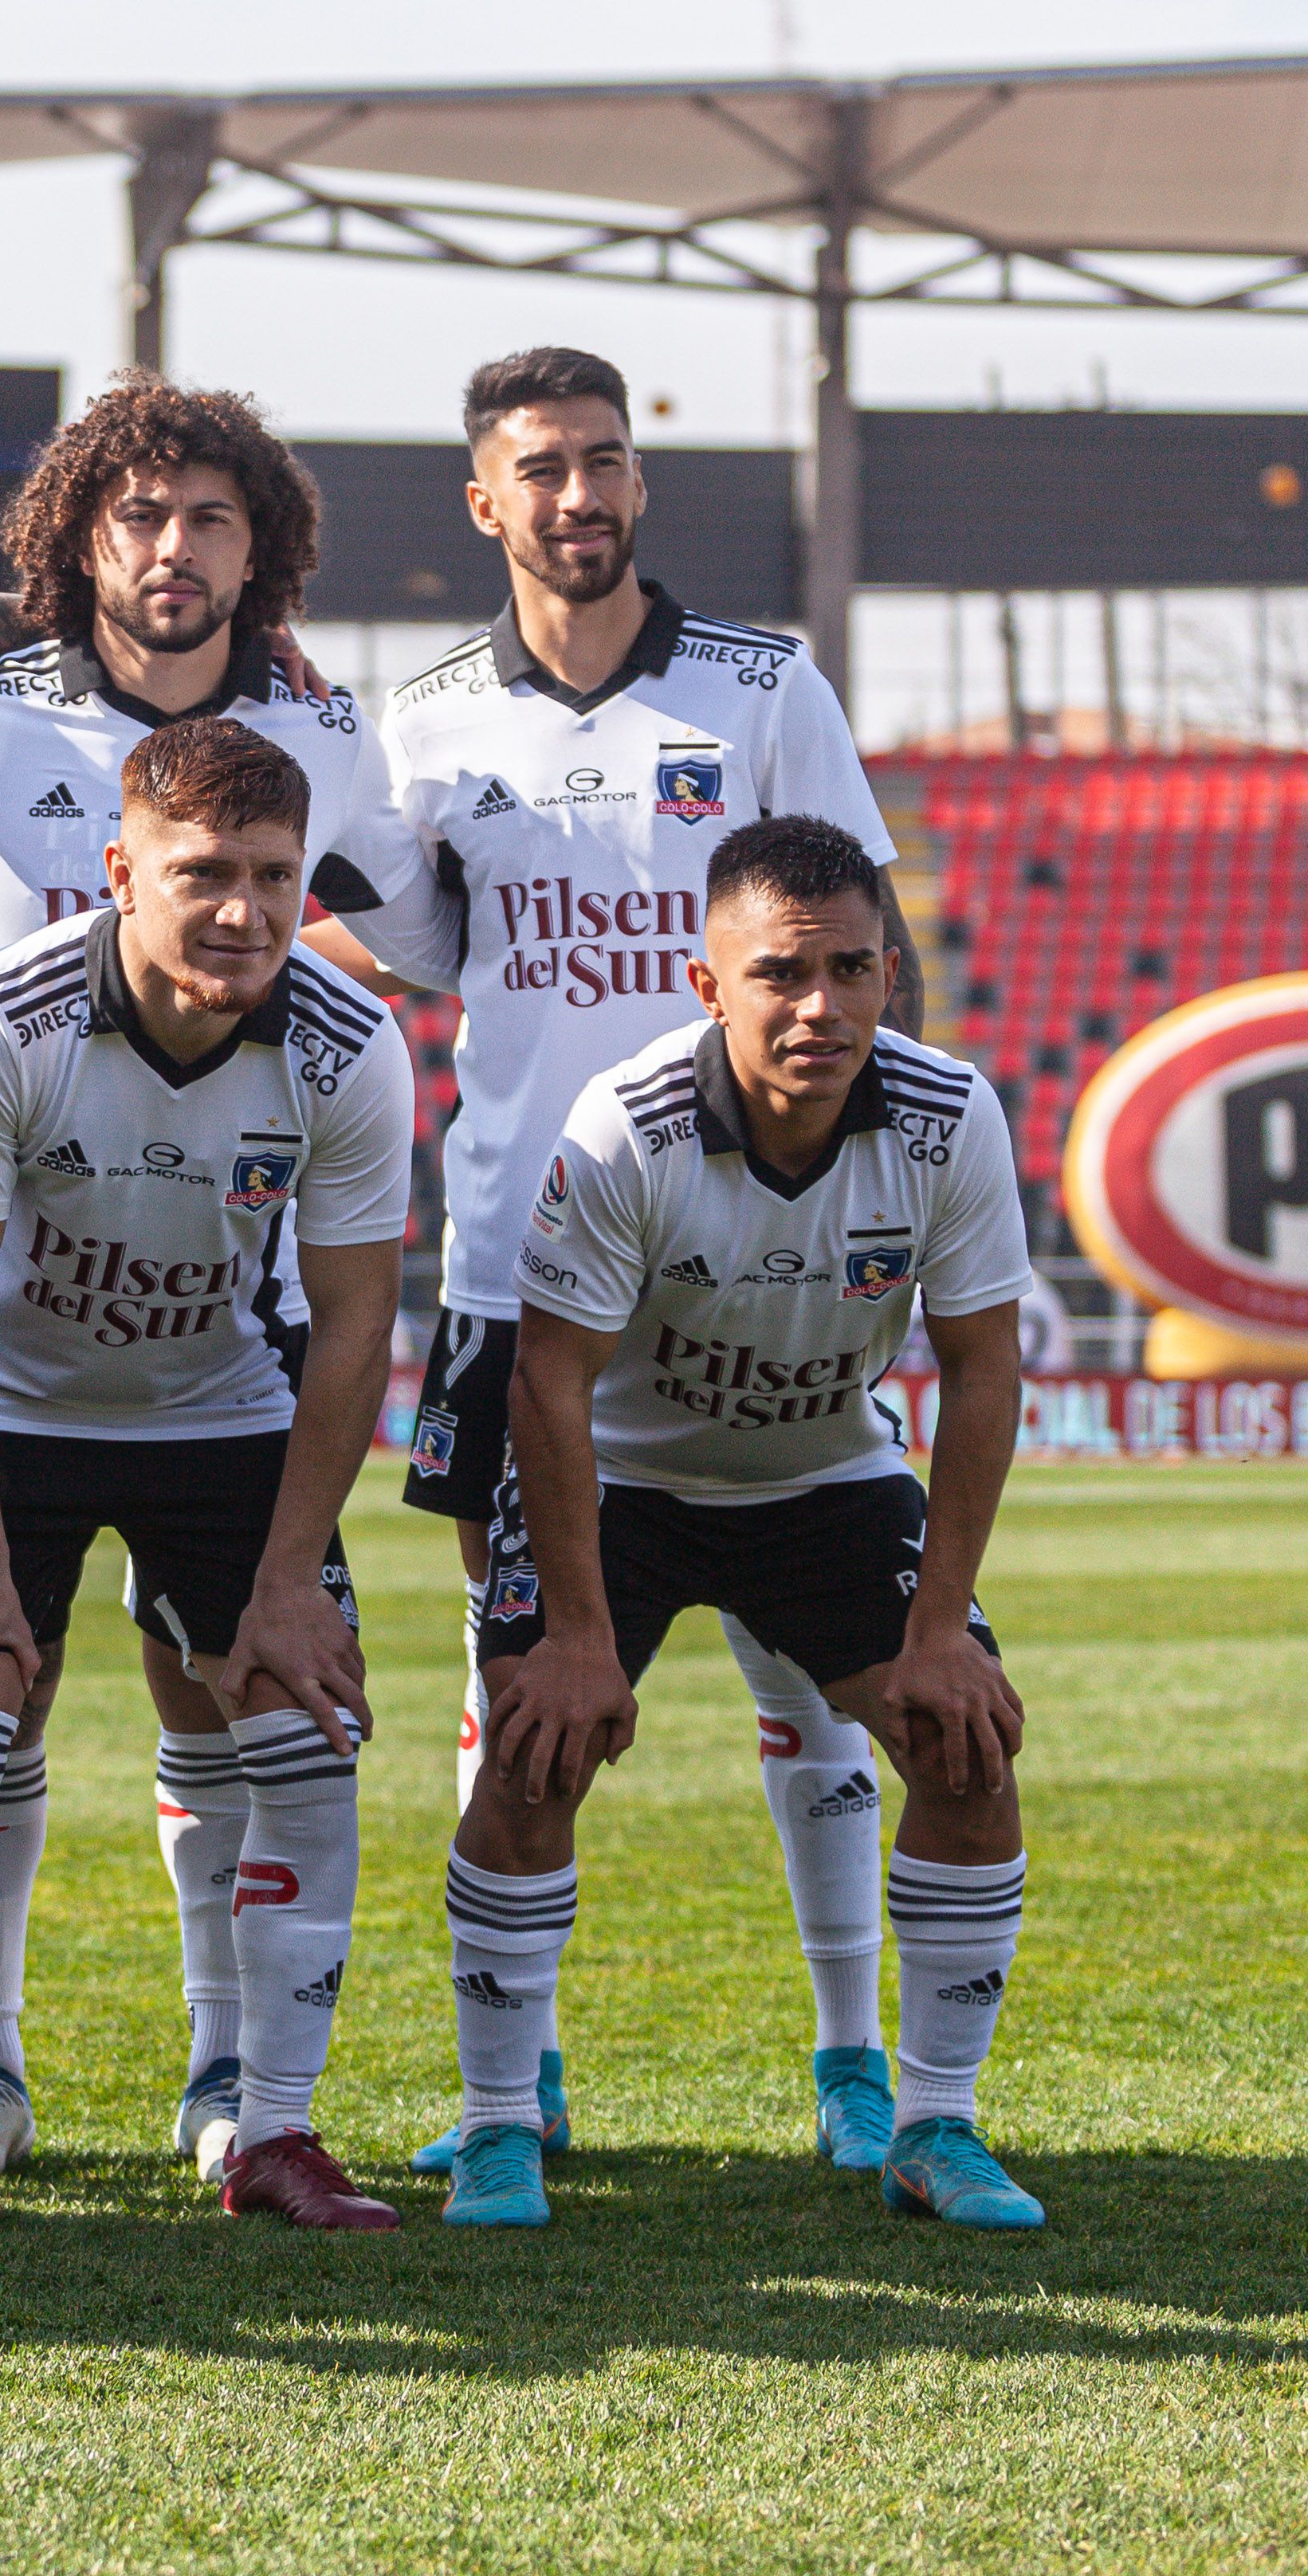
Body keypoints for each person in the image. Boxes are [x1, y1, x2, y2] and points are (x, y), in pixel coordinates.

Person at [0, 370, 418, 2184]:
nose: (169, 547)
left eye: (208, 516)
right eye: (136, 515)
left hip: (214, 1285)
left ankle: (243, 2089)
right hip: (8, 1256)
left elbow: (417, 925)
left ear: (259, 548)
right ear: (77, 538)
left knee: (245, 1699)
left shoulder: (330, 744)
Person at [312, 346, 933, 2180]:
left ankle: (848, 2057)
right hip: (519, 1256)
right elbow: (419, 948)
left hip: (769, 1235)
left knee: (805, 1664)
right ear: (481, 503)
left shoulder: (761, 683)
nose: (575, 498)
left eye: (601, 463)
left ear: (635, 484)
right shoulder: (421, 716)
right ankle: (527, 2069)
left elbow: (865, 932)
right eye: (539, 470)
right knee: (509, 1675)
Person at [454, 811, 1035, 2231]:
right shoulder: (626, 1127)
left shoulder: (948, 1117)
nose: (819, 1005)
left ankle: (930, 2124)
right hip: (623, 1486)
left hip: (822, 1483)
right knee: (534, 1744)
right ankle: (492, 2127)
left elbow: (980, 1368)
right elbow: (547, 1380)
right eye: (780, 973)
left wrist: (942, 1626)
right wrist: (578, 1631)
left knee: (965, 1745)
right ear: (708, 984)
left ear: (889, 973)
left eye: (851, 967)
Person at [0, 716, 412, 2233]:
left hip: (222, 1415)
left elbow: (355, 1318)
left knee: (307, 1734)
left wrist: (294, 1573)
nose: (242, 910)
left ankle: (260, 2114)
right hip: (9, 1417)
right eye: (200, 874)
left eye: (270, 874)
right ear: (120, 871)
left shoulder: (346, 1040)